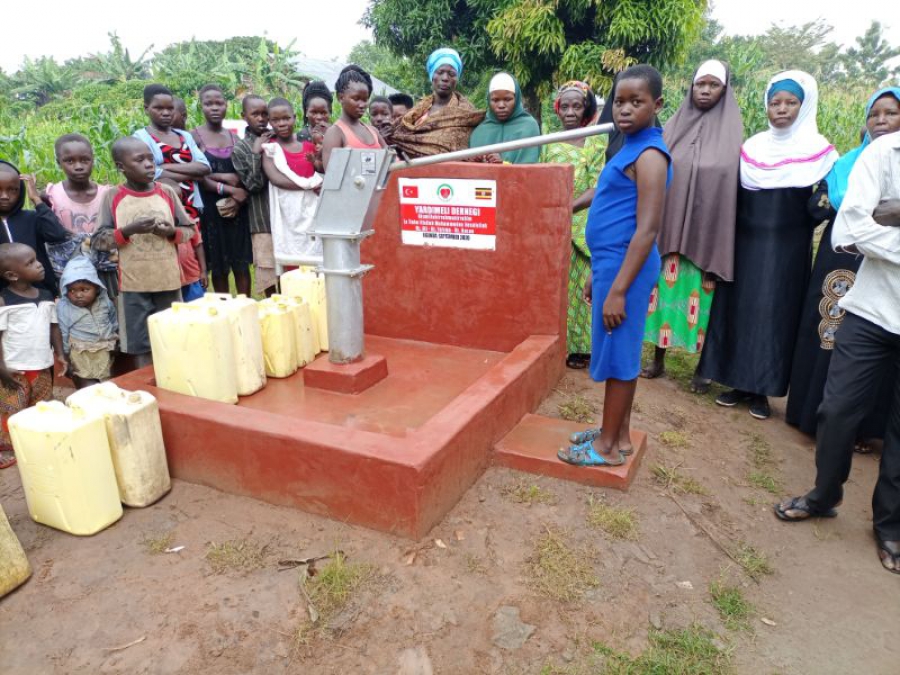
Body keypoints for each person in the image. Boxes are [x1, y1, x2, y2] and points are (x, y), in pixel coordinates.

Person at [774, 128, 900, 576]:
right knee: (837, 409)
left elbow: (872, 228)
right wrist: (878, 222)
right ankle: (825, 494)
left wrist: (892, 217)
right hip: (871, 310)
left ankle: (890, 526)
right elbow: (849, 230)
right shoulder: (886, 152)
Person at [697, 71, 838, 420]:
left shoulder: (820, 153)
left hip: (786, 252)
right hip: (745, 244)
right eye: (775, 103)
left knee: (775, 315)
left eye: (791, 103)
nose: (782, 109)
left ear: (804, 107)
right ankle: (735, 382)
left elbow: (823, 204)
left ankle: (762, 391)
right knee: (739, 311)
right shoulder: (752, 148)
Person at [559, 65, 672, 467]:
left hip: (629, 267)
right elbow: (608, 197)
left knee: (621, 356)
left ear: (656, 105)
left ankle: (605, 448)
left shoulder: (651, 156)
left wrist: (619, 289)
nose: (624, 110)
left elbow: (646, 230)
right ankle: (619, 434)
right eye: (619, 102)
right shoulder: (627, 146)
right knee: (616, 351)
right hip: (611, 263)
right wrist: (597, 269)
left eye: (636, 102)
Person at [785, 87, 900, 450]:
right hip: (836, 259)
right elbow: (820, 207)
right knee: (825, 329)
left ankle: (862, 430)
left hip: (883, 274)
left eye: (891, 113)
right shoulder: (847, 164)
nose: (881, 121)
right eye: (874, 114)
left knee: (866, 347)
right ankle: (809, 413)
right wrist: (879, 212)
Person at [641, 60, 744, 391]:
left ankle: (704, 366)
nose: (705, 90)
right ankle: (657, 358)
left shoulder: (733, 135)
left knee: (703, 298)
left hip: (706, 233)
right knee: (662, 291)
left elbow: (731, 184)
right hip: (668, 227)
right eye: (700, 84)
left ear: (724, 90)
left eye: (713, 85)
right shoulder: (672, 126)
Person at [92, 137, 195, 368]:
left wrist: (170, 232)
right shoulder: (113, 197)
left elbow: (189, 229)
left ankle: (172, 386)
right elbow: (99, 240)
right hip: (132, 287)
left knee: (171, 340)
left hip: (168, 283)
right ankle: (147, 393)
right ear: (121, 167)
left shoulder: (166, 193)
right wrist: (129, 230)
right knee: (139, 346)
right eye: (140, 160)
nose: (149, 164)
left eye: (151, 158)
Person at [542, 81, 602, 370]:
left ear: (586, 108)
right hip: (553, 222)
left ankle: (581, 348)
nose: (570, 111)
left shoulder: (596, 141)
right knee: (554, 287)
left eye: (576, 106)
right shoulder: (547, 142)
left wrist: (568, 208)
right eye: (564, 106)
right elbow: (540, 179)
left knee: (580, 288)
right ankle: (556, 342)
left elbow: (597, 186)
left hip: (581, 222)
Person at [134, 84, 209, 297]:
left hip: (189, 208)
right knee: (168, 258)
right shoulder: (141, 138)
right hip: (162, 210)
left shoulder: (184, 137)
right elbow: (146, 173)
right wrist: (188, 171)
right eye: (159, 108)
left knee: (191, 254)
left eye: (170, 108)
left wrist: (164, 168)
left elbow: (204, 167)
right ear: (146, 108)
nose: (166, 113)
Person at [0, 243, 67, 469]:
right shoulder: (4, 301)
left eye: (36, 259)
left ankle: (37, 443)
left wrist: (60, 354)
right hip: (14, 368)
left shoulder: (47, 295)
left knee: (41, 406)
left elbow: (54, 328)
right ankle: (8, 449)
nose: (39, 265)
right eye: (30, 263)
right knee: (12, 410)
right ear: (12, 275)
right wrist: (2, 367)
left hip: (42, 364)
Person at [191, 84, 253, 297]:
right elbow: (198, 176)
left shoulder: (235, 138)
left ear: (227, 105)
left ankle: (245, 307)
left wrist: (238, 199)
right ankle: (225, 311)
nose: (214, 108)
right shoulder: (194, 137)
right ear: (201, 107)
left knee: (241, 264)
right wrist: (227, 185)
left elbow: (244, 174)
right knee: (219, 266)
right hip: (210, 212)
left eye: (219, 103)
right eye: (209, 104)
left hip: (236, 210)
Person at [41, 134, 117, 296]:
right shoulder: (51, 195)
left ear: (93, 160)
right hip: (70, 274)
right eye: (70, 161)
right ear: (58, 162)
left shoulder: (108, 194)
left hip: (105, 271)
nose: (78, 166)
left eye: (84, 160)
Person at [389, 48, 484, 158]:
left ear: (457, 78)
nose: (445, 78)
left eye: (451, 74)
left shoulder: (468, 114)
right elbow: (398, 138)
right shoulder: (416, 112)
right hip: (414, 172)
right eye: (440, 72)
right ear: (432, 76)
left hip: (452, 172)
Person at [263, 98, 324, 263]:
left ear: (295, 117)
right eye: (275, 120)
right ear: (269, 122)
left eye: (286, 118)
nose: (282, 123)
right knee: (291, 265)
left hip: (311, 215)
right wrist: (310, 185)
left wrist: (320, 184)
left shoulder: (310, 148)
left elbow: (323, 171)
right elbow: (276, 179)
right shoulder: (270, 148)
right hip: (287, 216)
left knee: (316, 263)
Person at [0, 161, 69, 296]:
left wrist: (36, 199)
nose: (5, 196)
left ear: (21, 191)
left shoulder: (32, 218)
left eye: (12, 190)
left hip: (41, 293)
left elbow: (57, 234)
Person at [232, 95, 277, 296]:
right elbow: (254, 184)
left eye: (264, 114)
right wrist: (256, 153)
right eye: (255, 114)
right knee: (267, 273)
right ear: (244, 116)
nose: (261, 118)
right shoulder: (241, 148)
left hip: (285, 217)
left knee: (289, 271)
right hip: (262, 220)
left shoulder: (277, 138)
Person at [57, 256, 117, 389]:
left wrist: (114, 340)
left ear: (96, 287)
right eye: (72, 290)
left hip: (104, 349)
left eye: (84, 290)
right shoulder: (65, 307)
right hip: (80, 353)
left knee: (107, 383)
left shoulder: (104, 302)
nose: (78, 295)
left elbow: (112, 320)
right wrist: (66, 356)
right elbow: (63, 331)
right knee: (87, 385)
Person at [322, 66, 386, 170]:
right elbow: (332, 177)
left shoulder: (373, 131)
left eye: (365, 100)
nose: (362, 105)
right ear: (340, 97)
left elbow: (392, 162)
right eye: (356, 99)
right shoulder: (335, 133)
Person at [469, 72, 541, 164]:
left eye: (507, 99)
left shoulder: (528, 127)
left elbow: (529, 169)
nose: (501, 105)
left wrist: (503, 164)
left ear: (517, 98)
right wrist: (475, 161)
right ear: (488, 100)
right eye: (495, 100)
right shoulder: (479, 133)